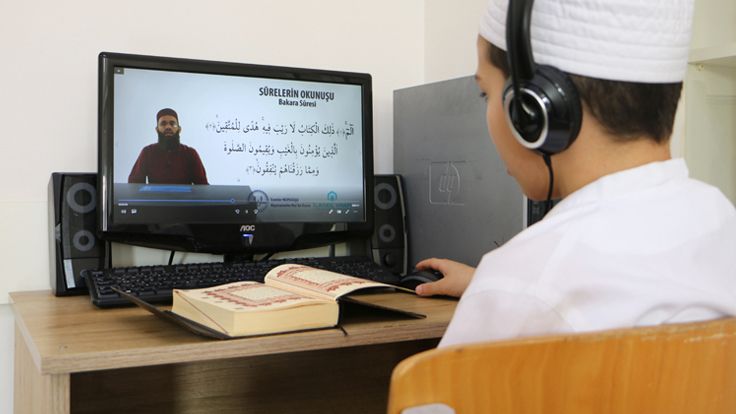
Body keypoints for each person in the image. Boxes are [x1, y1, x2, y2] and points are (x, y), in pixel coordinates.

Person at [415, 0, 736, 347]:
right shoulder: (722, 222)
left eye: (485, 93)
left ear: (531, 110)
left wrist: (500, 289)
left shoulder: (518, 287)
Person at [128, 108, 209, 185]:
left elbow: (202, 186)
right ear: (157, 129)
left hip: (184, 196)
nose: (168, 127)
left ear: (179, 129)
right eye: (163, 124)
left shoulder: (191, 153)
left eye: (172, 124)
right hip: (155, 195)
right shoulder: (147, 152)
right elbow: (134, 184)